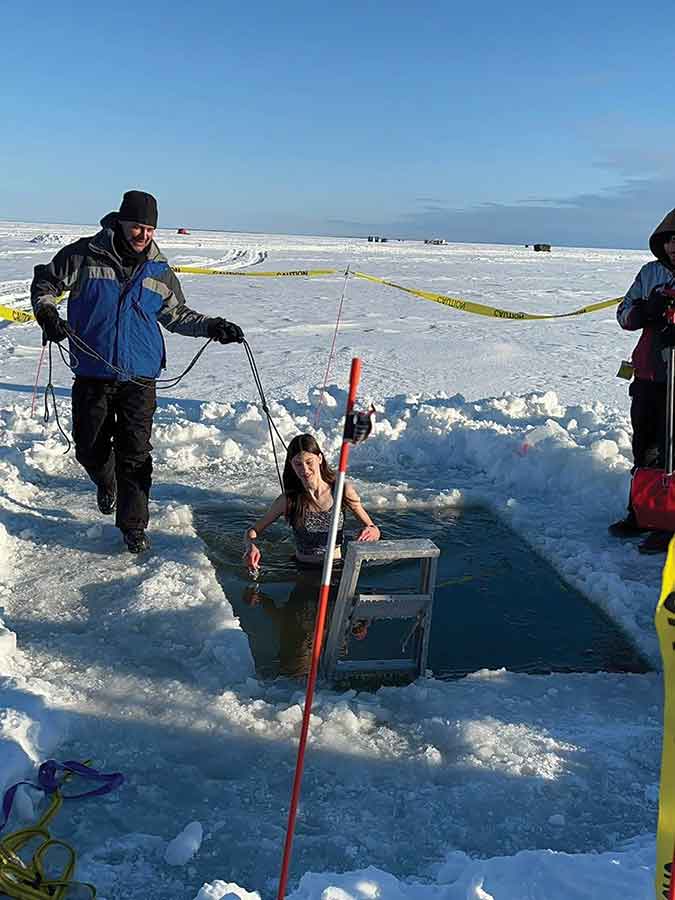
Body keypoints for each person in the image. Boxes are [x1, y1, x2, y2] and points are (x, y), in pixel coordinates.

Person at [30, 190, 244, 554]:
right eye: (136, 226)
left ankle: (133, 526)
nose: (142, 234)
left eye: (148, 228)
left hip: (140, 376)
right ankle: (106, 482)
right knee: (89, 449)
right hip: (93, 370)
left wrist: (213, 327)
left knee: (136, 453)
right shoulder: (83, 255)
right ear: (120, 222)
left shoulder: (160, 271)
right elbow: (45, 285)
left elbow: (177, 315)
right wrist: (47, 313)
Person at [610, 208, 675, 554]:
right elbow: (623, 314)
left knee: (673, 449)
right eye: (670, 239)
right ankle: (641, 512)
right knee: (645, 445)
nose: (674, 246)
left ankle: (670, 521)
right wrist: (644, 312)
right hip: (650, 374)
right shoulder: (650, 274)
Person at [243, 433, 380, 570]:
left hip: (335, 567)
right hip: (302, 568)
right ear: (291, 465)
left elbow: (373, 528)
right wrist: (251, 547)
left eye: (309, 462)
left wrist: (372, 531)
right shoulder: (288, 500)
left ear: (319, 458)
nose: (304, 469)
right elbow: (252, 531)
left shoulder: (341, 491)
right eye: (298, 464)